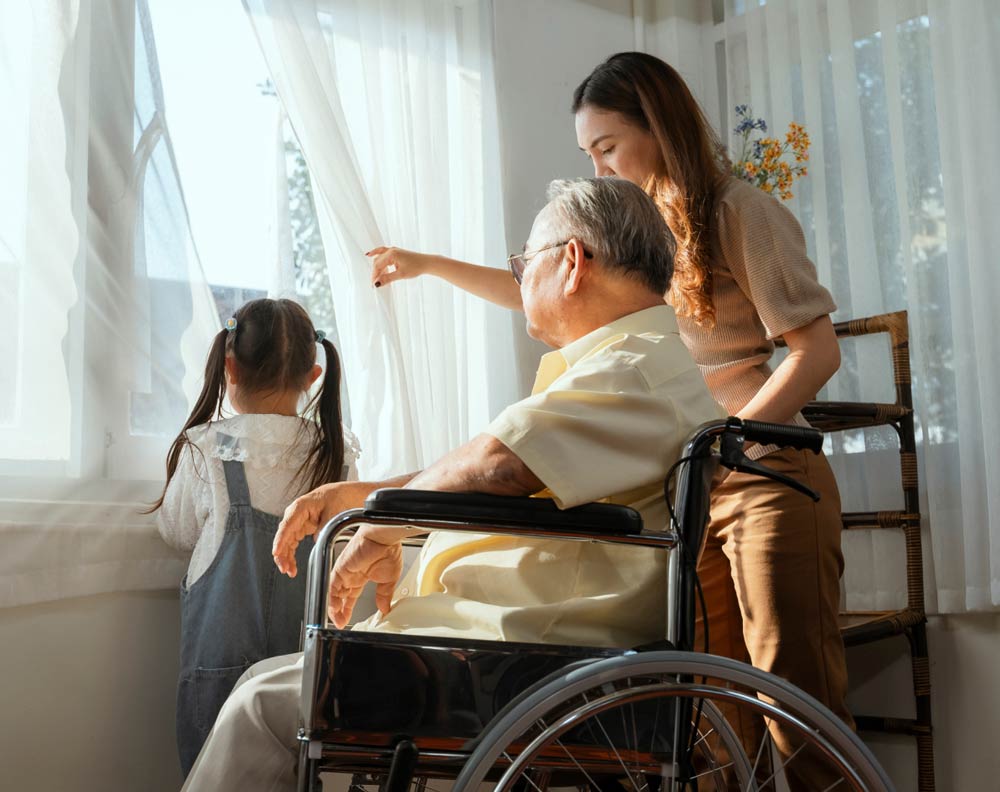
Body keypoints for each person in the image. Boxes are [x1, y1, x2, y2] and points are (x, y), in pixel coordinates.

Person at [367, 52, 849, 789]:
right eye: (588, 154)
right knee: (708, 713)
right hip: (690, 480)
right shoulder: (642, 238)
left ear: (659, 128)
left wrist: (724, 445)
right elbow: (544, 279)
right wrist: (428, 263)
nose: (598, 168)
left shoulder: (739, 210)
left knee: (793, 701)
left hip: (761, 472)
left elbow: (815, 352)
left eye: (607, 147)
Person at [179, 177, 723, 791]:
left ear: (571, 263)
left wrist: (382, 524)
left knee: (257, 708)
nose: (519, 279)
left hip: (518, 656)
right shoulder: (631, 365)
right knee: (259, 684)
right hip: (511, 641)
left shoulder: (632, 370)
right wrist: (364, 499)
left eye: (523, 264)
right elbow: (504, 468)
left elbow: (497, 467)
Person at [150, 297, 359, 775]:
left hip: (217, 685)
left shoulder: (205, 449)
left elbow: (177, 531)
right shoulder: (337, 458)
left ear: (230, 368)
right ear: (313, 377)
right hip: (301, 686)